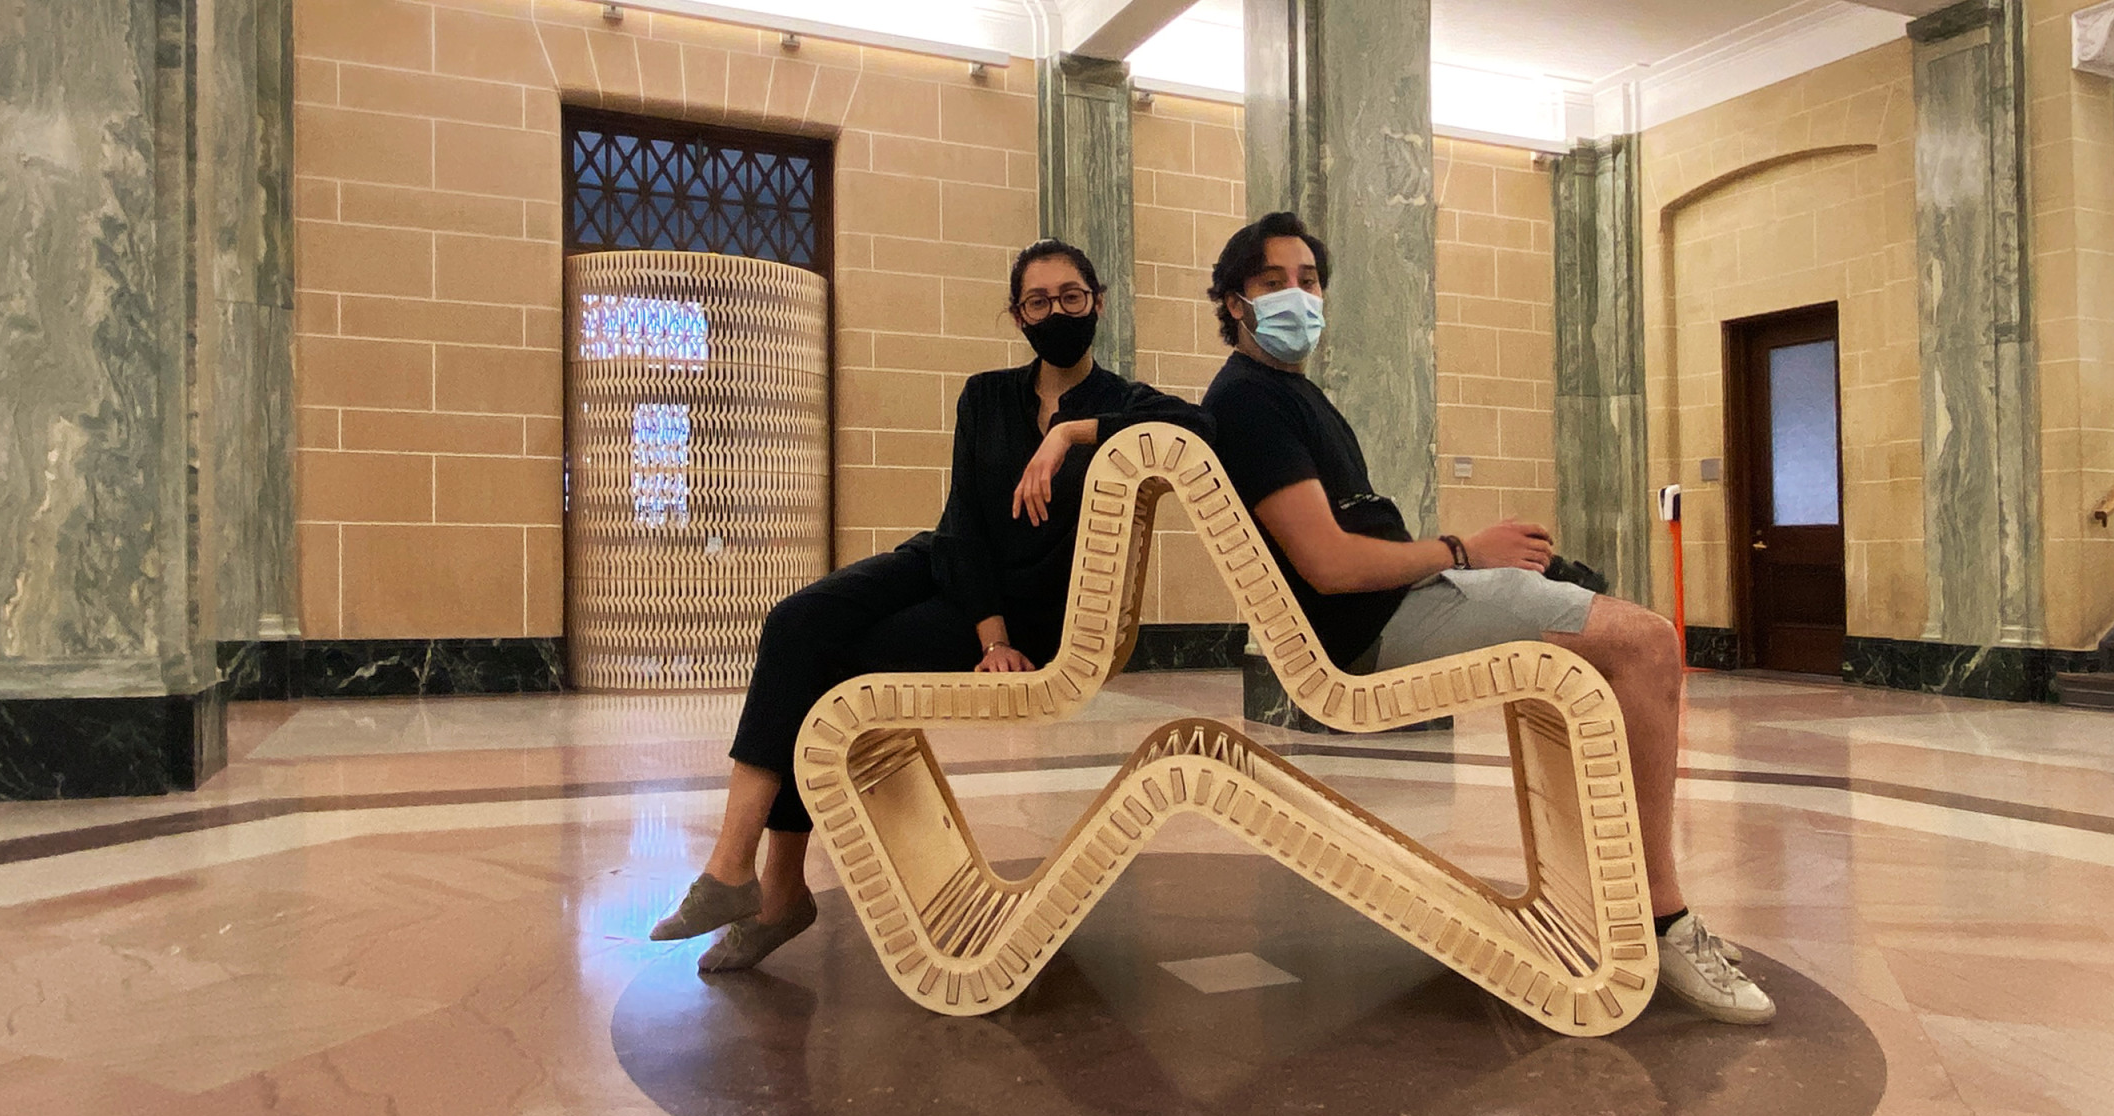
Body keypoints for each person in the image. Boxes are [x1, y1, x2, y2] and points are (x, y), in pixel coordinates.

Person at [1198, 212, 1777, 1025]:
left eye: (1309, 280)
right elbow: (1330, 564)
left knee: (1589, 609)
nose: (1298, 296)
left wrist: (1475, 558)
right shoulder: (1252, 403)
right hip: (1372, 631)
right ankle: (1662, 915)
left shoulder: (1285, 392)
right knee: (1646, 644)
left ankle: (1614, 900)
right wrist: (1465, 549)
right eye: (1272, 283)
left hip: (1401, 605)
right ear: (1234, 303)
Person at [649, 239, 1208, 970]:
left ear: (1097, 302)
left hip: (1031, 612)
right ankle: (733, 868)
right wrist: (989, 636)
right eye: (1038, 302)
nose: (1057, 313)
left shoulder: (1123, 403)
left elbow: (1204, 429)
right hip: (947, 565)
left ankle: (777, 889)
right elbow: (965, 520)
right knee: (795, 623)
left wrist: (1071, 435)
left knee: (824, 668)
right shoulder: (985, 395)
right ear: (1018, 315)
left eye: (1071, 297)